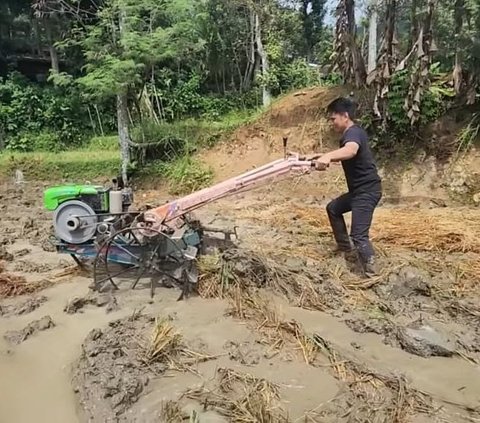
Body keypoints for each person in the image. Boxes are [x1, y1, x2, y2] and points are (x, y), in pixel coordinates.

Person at [308, 97, 382, 277]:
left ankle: (373, 272)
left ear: (345, 116)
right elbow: (337, 154)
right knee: (333, 208)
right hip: (358, 191)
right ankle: (345, 249)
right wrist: (307, 158)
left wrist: (328, 157)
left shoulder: (353, 133)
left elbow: (350, 151)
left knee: (359, 235)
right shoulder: (351, 134)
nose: (332, 123)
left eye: (333, 119)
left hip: (366, 191)